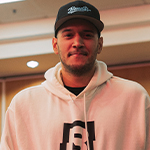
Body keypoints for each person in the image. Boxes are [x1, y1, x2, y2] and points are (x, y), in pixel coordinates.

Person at [1, 1, 150, 150]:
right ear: (55, 45)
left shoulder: (134, 98)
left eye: (87, 35)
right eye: (68, 35)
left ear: (99, 44)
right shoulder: (24, 104)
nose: (77, 42)